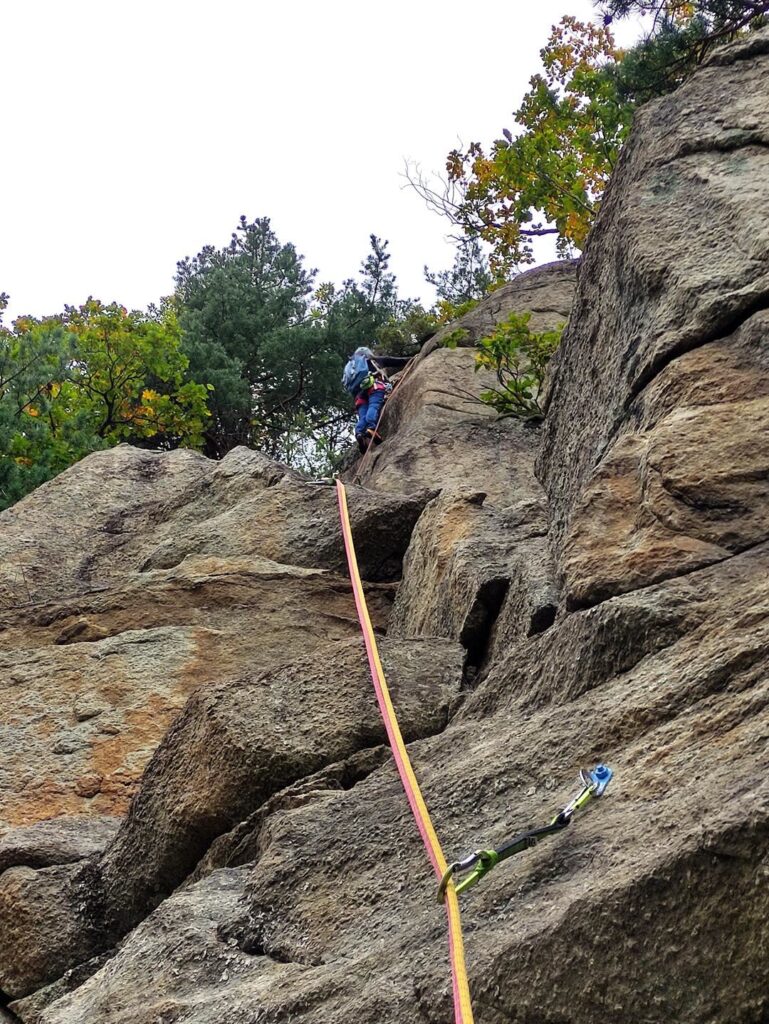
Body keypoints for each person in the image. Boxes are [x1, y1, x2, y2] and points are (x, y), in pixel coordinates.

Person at [341, 347, 411, 453]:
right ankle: (371, 428)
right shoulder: (372, 360)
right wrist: (409, 359)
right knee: (373, 405)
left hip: (358, 396)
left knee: (362, 416)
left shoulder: (353, 370)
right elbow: (391, 360)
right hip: (374, 386)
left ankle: (359, 433)